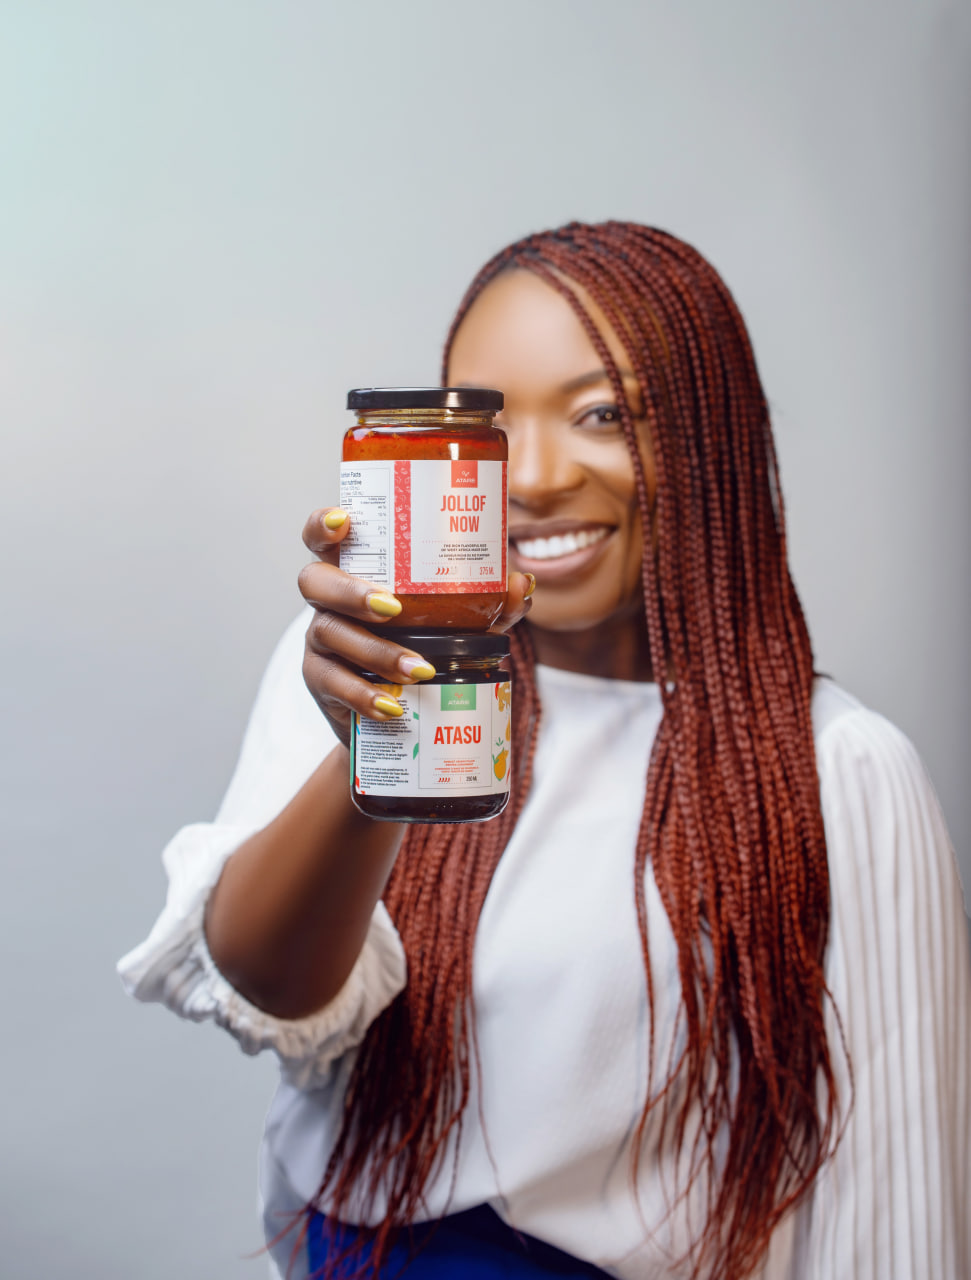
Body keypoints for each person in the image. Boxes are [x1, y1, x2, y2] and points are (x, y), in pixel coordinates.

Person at [118, 221, 971, 1280]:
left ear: (708, 440)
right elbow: (273, 993)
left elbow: (889, 1220)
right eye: (485, 423)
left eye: (602, 413)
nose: (529, 477)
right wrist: (378, 740)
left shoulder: (836, 767)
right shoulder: (351, 663)